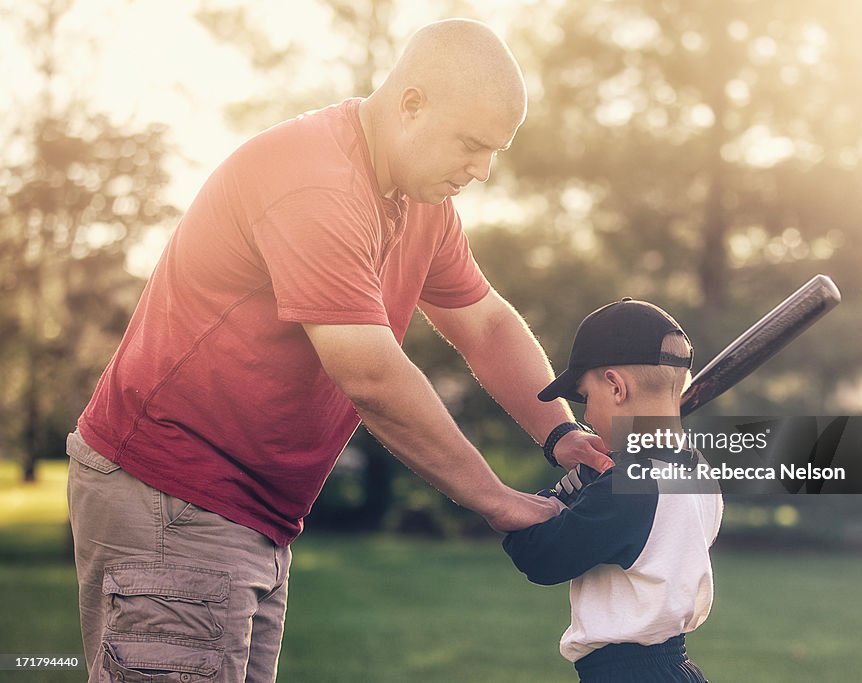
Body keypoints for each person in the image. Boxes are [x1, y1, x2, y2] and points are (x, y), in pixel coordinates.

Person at [66, 18, 613, 682]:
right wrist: (497, 500)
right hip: (173, 494)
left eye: (494, 151)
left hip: (251, 514)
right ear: (412, 104)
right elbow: (371, 374)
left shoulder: (421, 206)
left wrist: (560, 431)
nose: (483, 171)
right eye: (472, 145)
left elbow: (487, 325)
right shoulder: (317, 182)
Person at [503, 298, 724, 683]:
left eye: (587, 399)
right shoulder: (696, 470)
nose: (585, 417)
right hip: (673, 668)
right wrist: (588, 487)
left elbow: (541, 558)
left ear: (615, 386)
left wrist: (542, 503)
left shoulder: (629, 485)